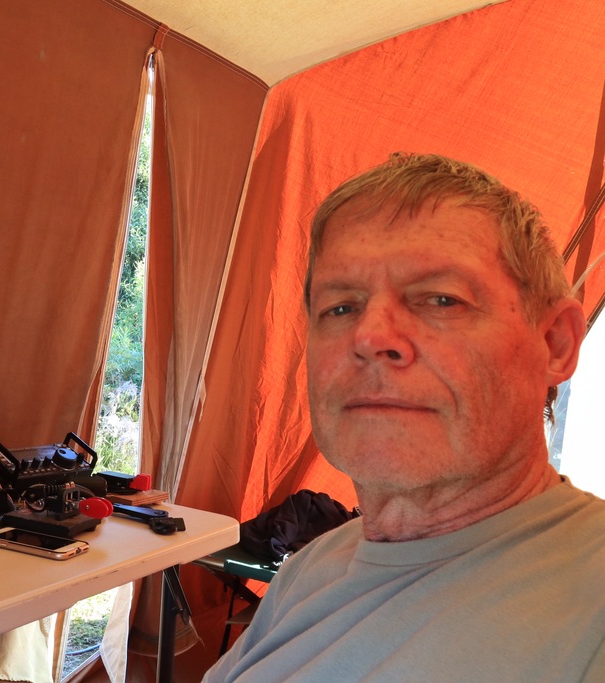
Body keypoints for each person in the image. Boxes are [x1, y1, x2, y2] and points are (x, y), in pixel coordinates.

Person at [204, 153, 605, 682]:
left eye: (441, 299)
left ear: (555, 343)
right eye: (340, 307)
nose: (369, 337)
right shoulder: (310, 568)